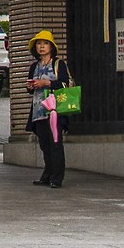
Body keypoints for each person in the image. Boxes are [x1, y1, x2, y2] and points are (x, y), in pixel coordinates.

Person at [24, 31, 70, 187]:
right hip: (39, 112)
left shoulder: (58, 64)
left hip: (54, 112)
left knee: (55, 144)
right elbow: (31, 90)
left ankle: (57, 178)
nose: (41, 46)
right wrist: (31, 86)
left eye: (45, 43)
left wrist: (47, 83)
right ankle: (48, 174)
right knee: (44, 145)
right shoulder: (34, 66)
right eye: (39, 43)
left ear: (51, 47)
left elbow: (66, 84)